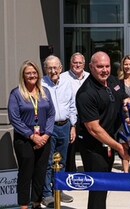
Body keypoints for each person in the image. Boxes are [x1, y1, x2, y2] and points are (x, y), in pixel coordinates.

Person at [76, 51, 130, 209]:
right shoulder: (86, 93)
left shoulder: (112, 80)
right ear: (91, 67)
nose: (104, 70)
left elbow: (122, 97)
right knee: (98, 189)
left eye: (107, 66)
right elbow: (94, 129)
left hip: (108, 143)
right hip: (93, 147)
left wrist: (128, 103)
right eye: (100, 66)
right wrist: (119, 147)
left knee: (104, 187)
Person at [8, 60, 55, 209]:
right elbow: (14, 118)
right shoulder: (16, 93)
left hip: (44, 139)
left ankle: (36, 203)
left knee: (40, 173)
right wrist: (31, 135)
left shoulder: (44, 91)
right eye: (28, 73)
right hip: (25, 140)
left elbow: (51, 114)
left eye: (34, 72)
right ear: (23, 75)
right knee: (26, 174)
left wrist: (46, 134)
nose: (32, 75)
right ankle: (23, 205)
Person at [41, 55, 76, 207]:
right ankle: (47, 194)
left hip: (65, 125)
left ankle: (59, 190)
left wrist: (73, 126)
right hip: (49, 127)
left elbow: (72, 105)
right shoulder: (41, 84)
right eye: (50, 67)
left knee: (62, 161)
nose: (53, 70)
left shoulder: (67, 82)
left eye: (56, 67)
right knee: (48, 162)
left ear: (61, 68)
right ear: (45, 69)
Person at [60, 52, 90, 173]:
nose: (77, 65)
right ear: (70, 63)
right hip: (70, 118)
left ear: (84, 64)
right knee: (70, 148)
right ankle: (70, 173)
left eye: (80, 63)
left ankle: (89, 172)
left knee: (87, 147)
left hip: (87, 117)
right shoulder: (63, 78)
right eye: (75, 62)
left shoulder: (90, 77)